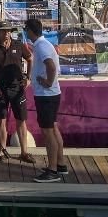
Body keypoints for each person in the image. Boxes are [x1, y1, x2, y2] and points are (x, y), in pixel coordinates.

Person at [24, 17, 66, 182]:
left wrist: (48, 81)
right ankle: (60, 164)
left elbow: (51, 66)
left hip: (46, 95)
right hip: (49, 95)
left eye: (26, 29)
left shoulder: (41, 46)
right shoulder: (43, 44)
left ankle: (52, 170)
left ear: (30, 31)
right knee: (53, 129)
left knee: (48, 133)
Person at [0, 23, 32, 161]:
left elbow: (30, 58)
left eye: (8, 31)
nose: (6, 33)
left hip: (17, 88)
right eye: (3, 31)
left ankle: (24, 153)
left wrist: (28, 77)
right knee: (1, 120)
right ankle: (2, 150)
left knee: (21, 120)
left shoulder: (18, 45)